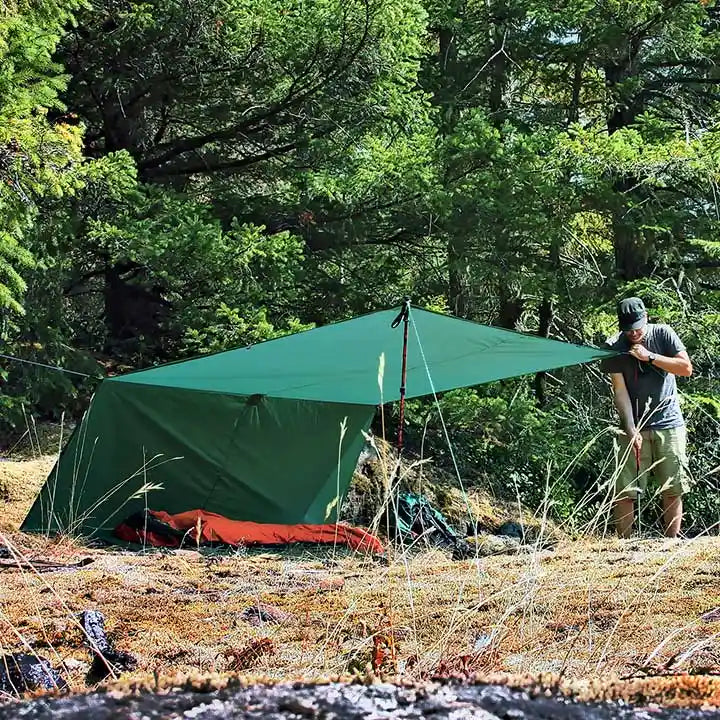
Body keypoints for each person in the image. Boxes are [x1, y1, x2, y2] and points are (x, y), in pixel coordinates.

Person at [600, 297, 693, 538]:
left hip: (669, 423)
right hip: (634, 425)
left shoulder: (663, 334)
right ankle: (624, 545)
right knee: (625, 490)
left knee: (673, 487)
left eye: (638, 328)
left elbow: (685, 368)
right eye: (628, 329)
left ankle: (670, 543)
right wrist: (631, 429)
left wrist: (650, 357)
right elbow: (619, 391)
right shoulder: (613, 345)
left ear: (647, 318)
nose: (633, 333)